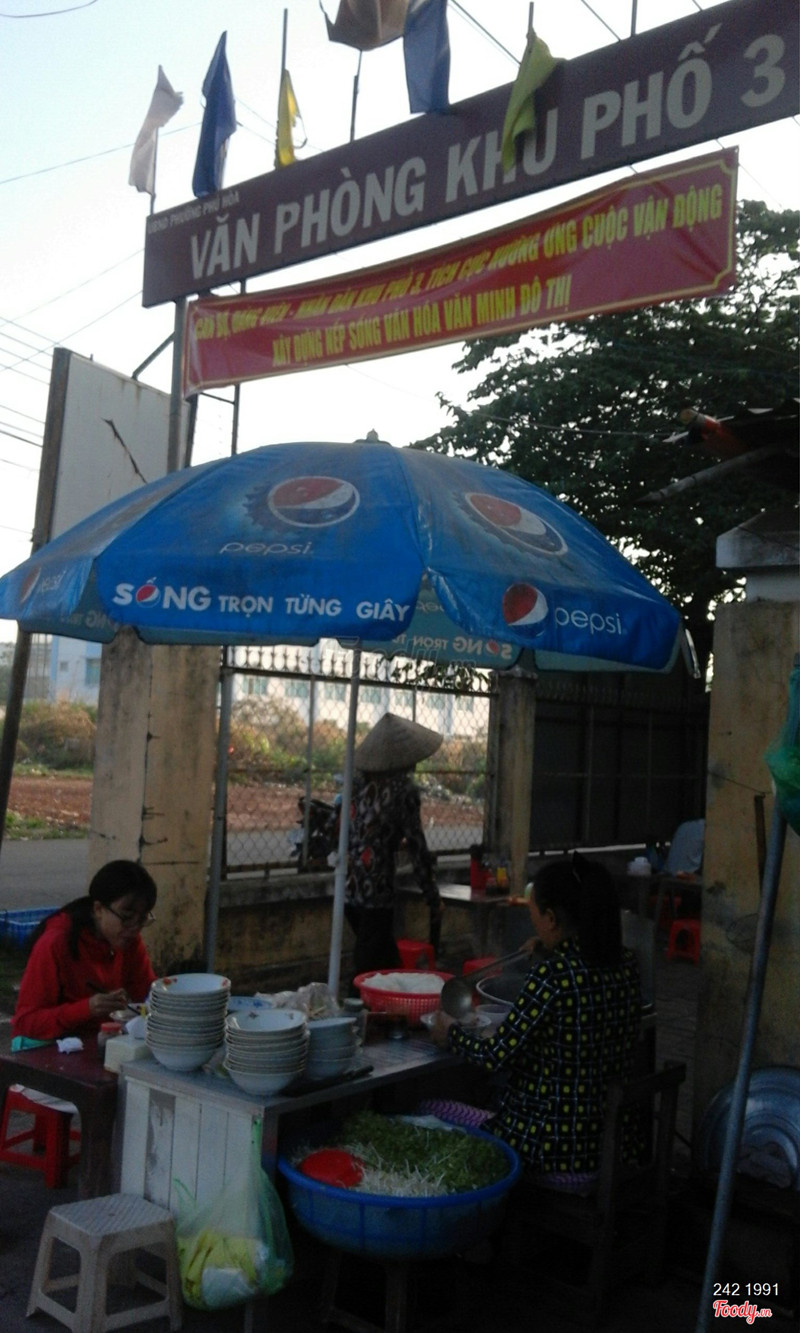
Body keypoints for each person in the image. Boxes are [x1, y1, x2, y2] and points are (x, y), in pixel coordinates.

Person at [431, 854, 641, 1188]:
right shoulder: (626, 965)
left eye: (535, 917)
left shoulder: (552, 976)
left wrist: (451, 1034)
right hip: (608, 1145)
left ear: (552, 919)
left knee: (429, 1110)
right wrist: (551, 950)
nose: (534, 927)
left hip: (549, 1147)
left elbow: (494, 1055)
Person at [12, 859, 158, 1048]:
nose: (134, 928)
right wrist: (86, 1009)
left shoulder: (128, 940)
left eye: (142, 919)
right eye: (127, 917)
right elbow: (26, 1022)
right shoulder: (56, 943)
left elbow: (147, 996)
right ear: (98, 909)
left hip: (100, 1044)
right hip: (52, 1049)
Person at [345, 712, 444, 977]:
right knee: (369, 969)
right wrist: (432, 896)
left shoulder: (356, 784)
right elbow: (417, 847)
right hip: (376, 892)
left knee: (385, 963)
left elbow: (346, 826)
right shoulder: (404, 791)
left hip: (348, 885)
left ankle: (388, 998)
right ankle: (357, 1001)